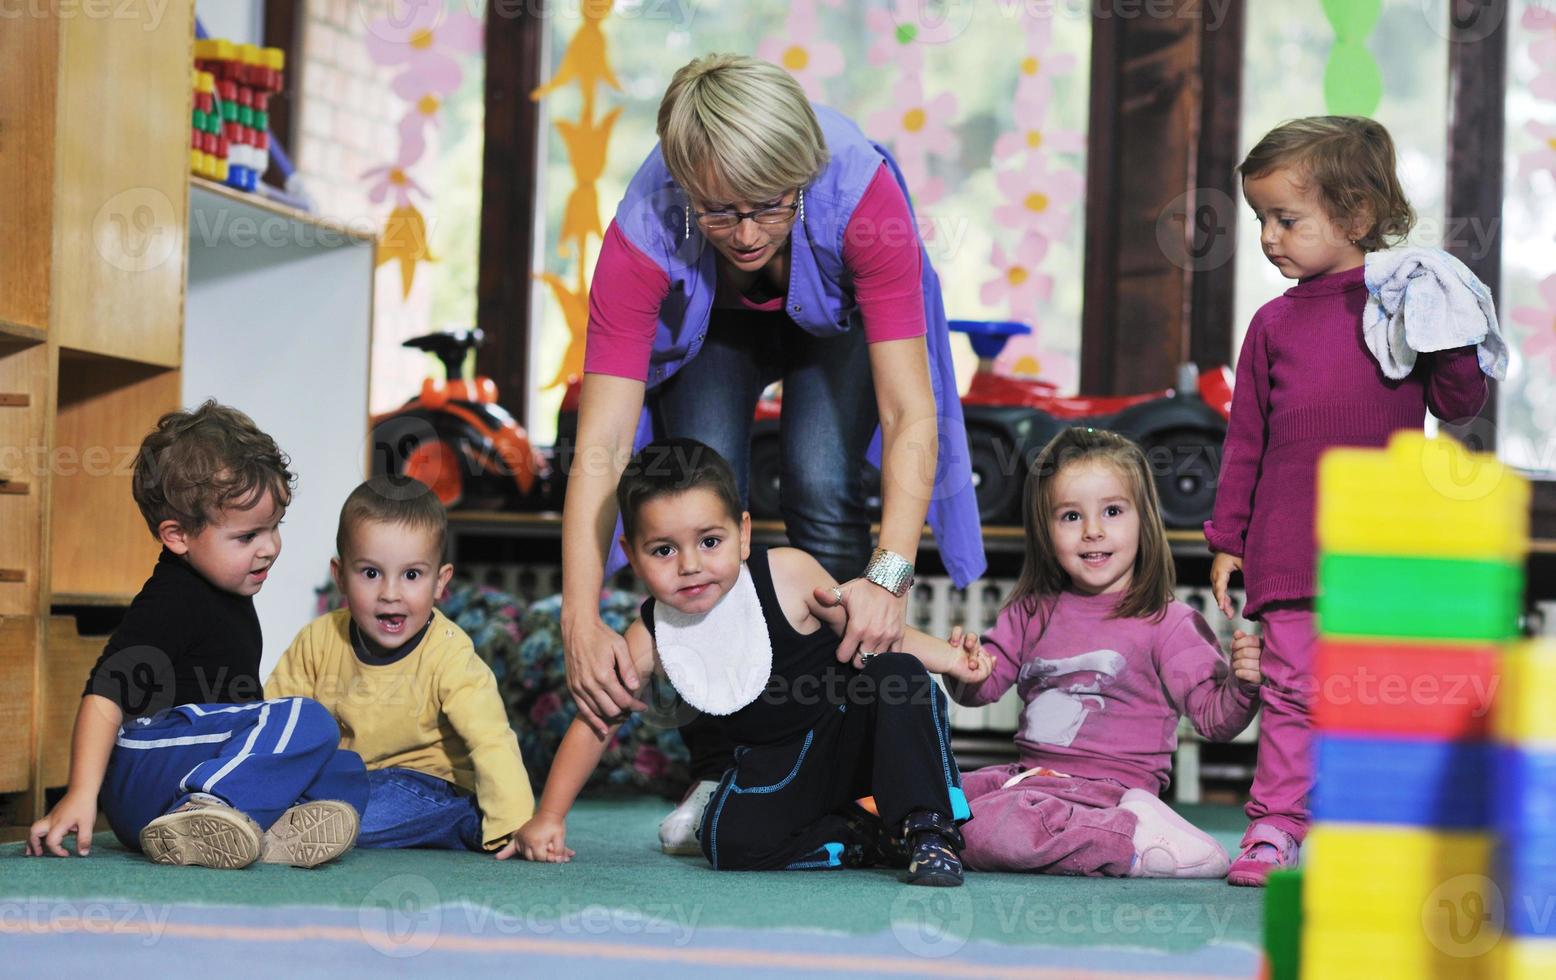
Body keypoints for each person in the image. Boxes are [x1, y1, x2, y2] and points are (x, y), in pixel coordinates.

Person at [558, 53, 986, 852]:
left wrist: (889, 577)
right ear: (686, 187)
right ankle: (727, 760)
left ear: (804, 174)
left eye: (769, 207)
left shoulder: (861, 197)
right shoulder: (645, 228)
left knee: (824, 480)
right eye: (720, 213)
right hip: (714, 326)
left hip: (836, 320)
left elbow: (907, 411)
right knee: (697, 504)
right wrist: (581, 617)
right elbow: (603, 444)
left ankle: (849, 753)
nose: (748, 233)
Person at [1206, 116, 1490, 886]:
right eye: (1261, 218)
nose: (1269, 237)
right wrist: (1229, 539)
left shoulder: (1403, 303)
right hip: (1290, 549)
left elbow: (1461, 403)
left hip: (1383, 549)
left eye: (1286, 219)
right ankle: (1274, 828)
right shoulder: (1271, 325)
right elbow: (1245, 443)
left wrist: (1452, 334)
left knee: (1379, 701)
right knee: (1293, 697)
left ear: (1356, 216)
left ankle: (1379, 836)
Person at [520, 439, 990, 886]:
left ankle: (930, 827)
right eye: (663, 550)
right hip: (779, 770)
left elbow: (875, 628)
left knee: (898, 673)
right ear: (631, 558)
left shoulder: (787, 572)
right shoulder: (650, 638)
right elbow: (597, 720)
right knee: (725, 841)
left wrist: (951, 659)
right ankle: (860, 837)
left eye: (709, 542)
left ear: (742, 534)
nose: (690, 565)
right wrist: (549, 817)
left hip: (853, 731)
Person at [25, 401, 366, 869]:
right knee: (309, 720)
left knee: (346, 771)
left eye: (274, 527)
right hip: (146, 769)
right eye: (248, 537)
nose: (270, 548)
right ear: (178, 536)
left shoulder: (226, 590)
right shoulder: (173, 599)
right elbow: (104, 694)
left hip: (185, 770)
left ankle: (259, 834)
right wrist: (81, 794)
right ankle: (210, 809)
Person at [953, 428, 1263, 878]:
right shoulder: (1029, 611)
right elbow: (979, 690)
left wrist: (1242, 684)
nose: (1093, 531)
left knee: (989, 828)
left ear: (1144, 520)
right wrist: (965, 667)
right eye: (1071, 517)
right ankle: (1121, 841)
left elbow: (1213, 719)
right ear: (1046, 528)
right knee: (937, 799)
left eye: (1113, 511)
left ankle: (1134, 837)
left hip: (1109, 793)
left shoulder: (1169, 622)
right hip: (1030, 780)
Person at [267, 477, 535, 856]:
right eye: (371, 573)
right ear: (340, 576)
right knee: (323, 788)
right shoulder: (317, 640)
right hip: (348, 777)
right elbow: (279, 719)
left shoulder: (449, 653)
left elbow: (490, 737)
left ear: (440, 582)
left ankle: (287, 827)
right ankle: (256, 814)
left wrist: (516, 824)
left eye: (411, 575)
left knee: (376, 803)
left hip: (429, 782)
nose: (390, 593)